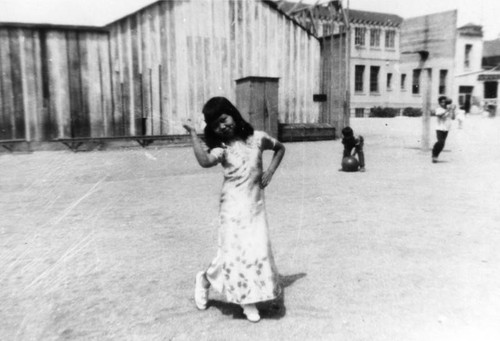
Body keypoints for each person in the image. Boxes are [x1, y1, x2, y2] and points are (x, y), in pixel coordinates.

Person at [182, 97, 285, 323]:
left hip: (255, 205)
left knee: (254, 250)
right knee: (238, 253)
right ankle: (248, 301)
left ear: (233, 114)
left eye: (224, 119)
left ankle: (205, 279)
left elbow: (280, 149)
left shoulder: (257, 138)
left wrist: (270, 172)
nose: (223, 126)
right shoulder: (222, 148)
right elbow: (205, 161)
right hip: (232, 207)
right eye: (216, 125)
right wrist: (193, 134)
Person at [432, 96, 455, 163]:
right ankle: (434, 154)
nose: (443, 103)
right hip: (439, 128)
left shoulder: (448, 109)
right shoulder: (439, 109)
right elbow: (440, 116)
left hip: (446, 128)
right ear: (439, 103)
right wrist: (448, 110)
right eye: (442, 102)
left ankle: (435, 155)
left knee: (442, 144)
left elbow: (453, 118)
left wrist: (452, 110)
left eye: (445, 102)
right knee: (440, 142)